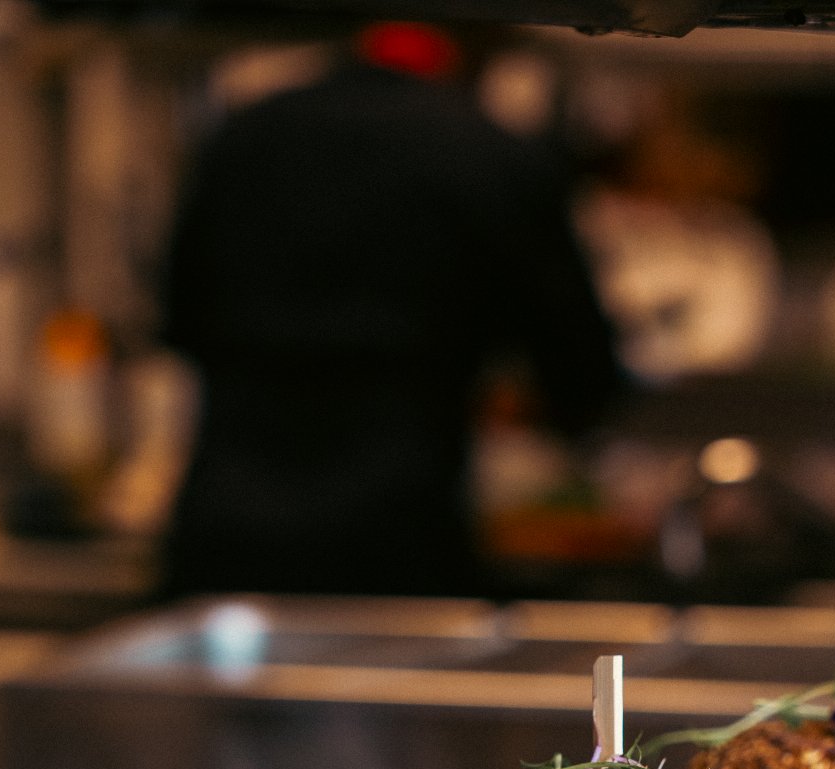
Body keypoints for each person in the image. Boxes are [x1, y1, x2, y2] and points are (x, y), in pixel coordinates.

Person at [162, 24, 622, 597]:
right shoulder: (489, 152)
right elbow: (580, 372)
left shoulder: (247, 135)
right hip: (396, 529)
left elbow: (179, 317)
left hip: (226, 522)